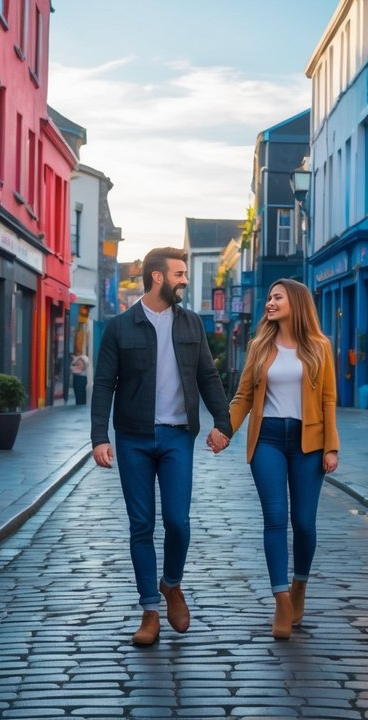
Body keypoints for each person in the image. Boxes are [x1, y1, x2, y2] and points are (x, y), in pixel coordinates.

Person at [90, 247, 232, 645]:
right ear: (157, 277)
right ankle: (150, 610)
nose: (185, 279)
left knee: (178, 522)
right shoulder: (121, 327)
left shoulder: (191, 325)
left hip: (176, 436)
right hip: (133, 438)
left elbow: (208, 376)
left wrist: (225, 423)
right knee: (141, 525)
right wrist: (99, 436)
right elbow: (104, 384)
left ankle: (172, 583)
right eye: (179, 273)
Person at [223, 278, 339, 639]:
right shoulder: (259, 346)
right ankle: (281, 599)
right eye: (269, 297)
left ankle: (299, 584)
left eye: (277, 297)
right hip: (268, 439)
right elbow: (243, 397)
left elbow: (329, 400)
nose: (270, 303)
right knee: (275, 518)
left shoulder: (320, 347)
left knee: (304, 522)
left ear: (297, 303)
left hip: (310, 441)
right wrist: (224, 430)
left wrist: (331, 446)